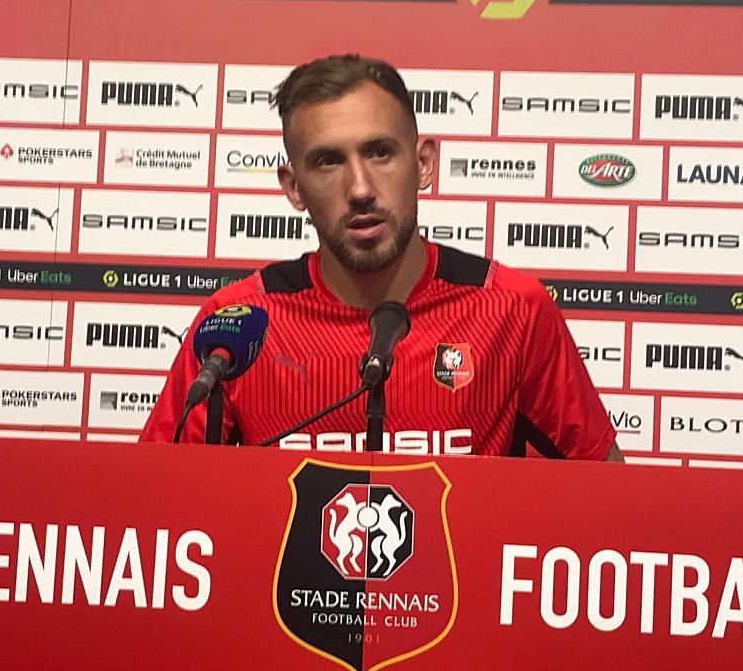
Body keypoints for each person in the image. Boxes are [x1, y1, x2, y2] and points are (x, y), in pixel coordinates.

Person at [140, 54, 623, 462]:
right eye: (328, 161)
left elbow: (604, 501)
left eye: (379, 153)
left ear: (424, 164)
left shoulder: (513, 310)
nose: (360, 189)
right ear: (293, 188)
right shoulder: (237, 324)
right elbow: (160, 508)